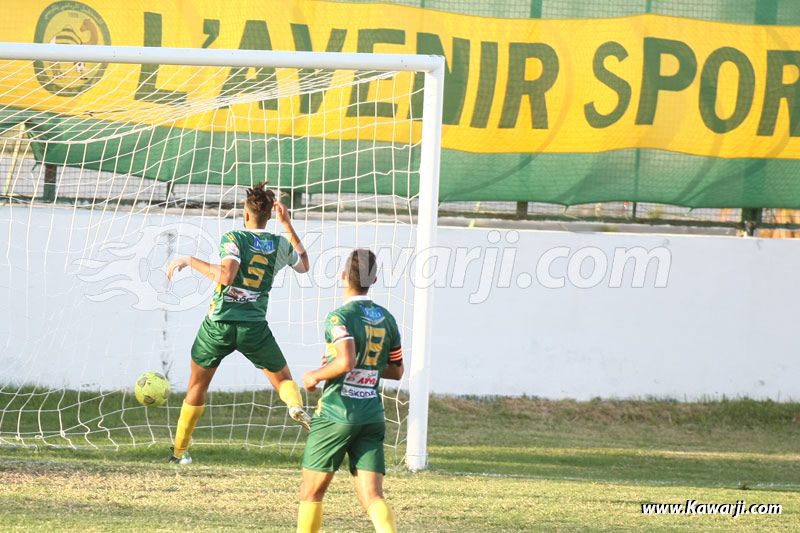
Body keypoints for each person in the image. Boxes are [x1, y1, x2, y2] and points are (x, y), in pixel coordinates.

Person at [165, 182, 312, 464]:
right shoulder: (279, 243)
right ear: (271, 216)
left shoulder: (233, 237)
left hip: (218, 326)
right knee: (283, 380)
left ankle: (180, 453)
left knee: (197, 385)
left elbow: (227, 276)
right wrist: (288, 224)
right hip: (253, 327)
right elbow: (304, 264)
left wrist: (189, 260)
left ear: (246, 215)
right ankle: (294, 405)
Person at [297, 249, 403, 533]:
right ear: (375, 280)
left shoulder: (338, 318)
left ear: (343, 276)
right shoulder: (387, 319)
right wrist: (367, 365)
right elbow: (396, 371)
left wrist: (315, 375)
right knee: (373, 496)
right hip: (371, 414)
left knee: (311, 494)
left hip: (336, 413)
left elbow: (346, 361)